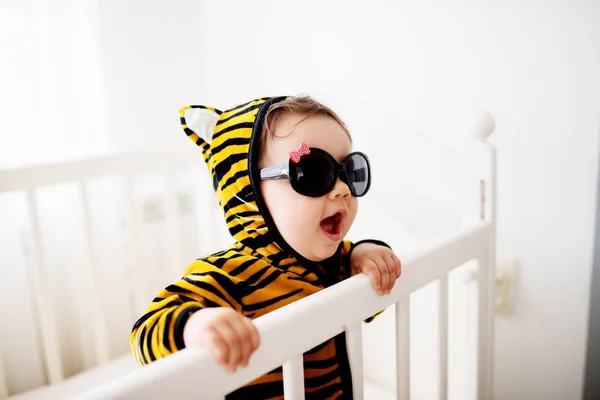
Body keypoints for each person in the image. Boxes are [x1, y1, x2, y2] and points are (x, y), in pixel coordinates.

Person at [130, 95, 402, 399]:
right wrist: (194, 325)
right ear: (249, 193)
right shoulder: (232, 275)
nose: (341, 189)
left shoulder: (335, 263)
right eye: (311, 173)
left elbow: (365, 303)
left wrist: (365, 253)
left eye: (349, 171)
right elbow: (145, 333)